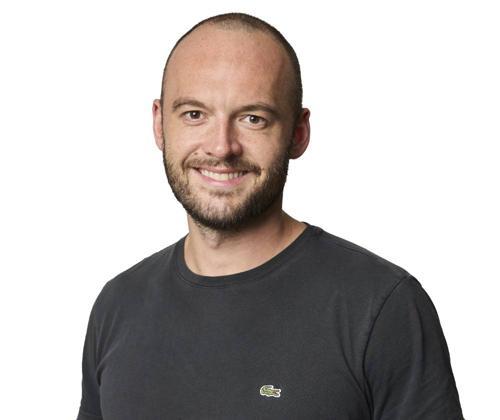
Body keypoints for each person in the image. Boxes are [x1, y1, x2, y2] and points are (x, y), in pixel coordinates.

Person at [77, 12, 464, 420]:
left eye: (253, 119)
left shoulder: (381, 307)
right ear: (159, 124)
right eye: (194, 114)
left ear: (298, 133)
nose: (221, 147)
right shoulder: (118, 306)